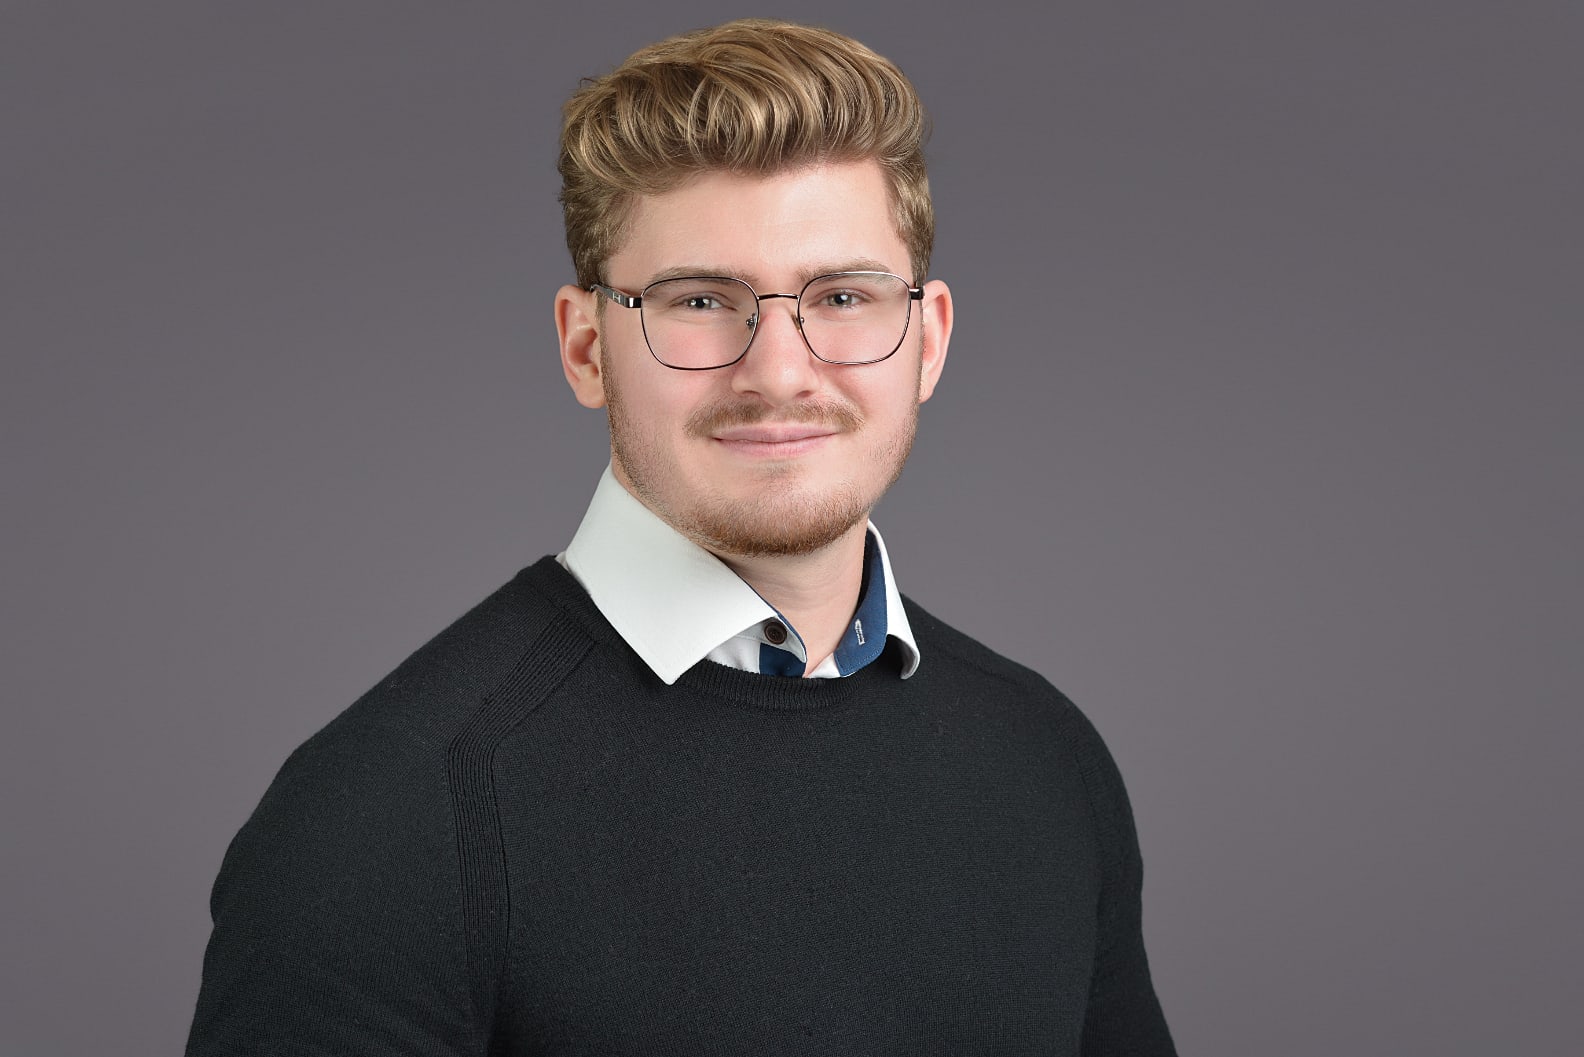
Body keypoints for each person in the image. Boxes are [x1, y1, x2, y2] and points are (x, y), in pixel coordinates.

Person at [186, 18, 1175, 1055]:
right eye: (701, 299)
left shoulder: (1047, 760)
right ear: (586, 347)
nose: (779, 371)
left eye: (843, 296)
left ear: (925, 342)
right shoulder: (391, 817)